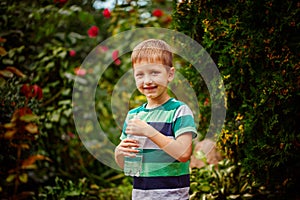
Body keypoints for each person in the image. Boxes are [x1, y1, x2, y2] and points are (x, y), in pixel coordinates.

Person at [114, 39, 197, 199]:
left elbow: (183, 153)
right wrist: (119, 153)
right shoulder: (133, 116)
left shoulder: (179, 111)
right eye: (140, 74)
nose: (147, 81)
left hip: (172, 195)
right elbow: (128, 165)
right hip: (140, 195)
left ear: (170, 74)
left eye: (154, 72)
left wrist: (148, 131)